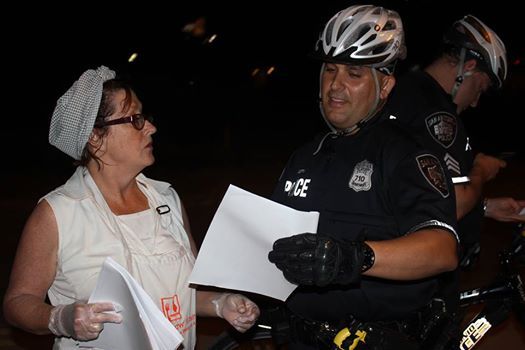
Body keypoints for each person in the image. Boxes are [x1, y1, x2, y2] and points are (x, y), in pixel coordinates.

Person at [2, 66, 259, 349]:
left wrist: (221, 303)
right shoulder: (58, 213)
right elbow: (17, 303)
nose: (151, 127)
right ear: (95, 137)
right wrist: (60, 318)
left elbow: (182, 295)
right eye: (135, 119)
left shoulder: (166, 199)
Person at [266, 5, 459, 349]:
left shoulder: (406, 153)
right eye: (329, 70)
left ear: (385, 85)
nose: (336, 85)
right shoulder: (304, 156)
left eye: (354, 74)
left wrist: (355, 258)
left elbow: (441, 249)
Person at [385, 14, 525, 267]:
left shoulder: (406, 90)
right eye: (480, 88)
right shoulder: (437, 114)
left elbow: (419, 193)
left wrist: (485, 208)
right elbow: (453, 203)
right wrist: (481, 171)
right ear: (468, 67)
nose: (475, 102)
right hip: (420, 272)